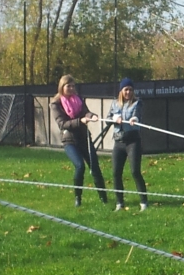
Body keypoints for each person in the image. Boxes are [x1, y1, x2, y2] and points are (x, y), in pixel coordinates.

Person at [51, 73, 107, 208]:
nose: (71, 89)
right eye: (68, 86)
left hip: (84, 138)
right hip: (69, 141)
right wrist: (79, 121)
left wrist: (91, 116)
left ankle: (104, 198)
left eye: (73, 86)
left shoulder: (78, 99)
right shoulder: (55, 104)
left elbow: (85, 112)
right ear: (62, 87)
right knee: (80, 166)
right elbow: (62, 124)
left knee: (95, 167)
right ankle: (78, 198)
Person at [107, 78, 148, 212]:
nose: (128, 92)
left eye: (130, 89)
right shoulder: (114, 104)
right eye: (126, 90)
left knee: (135, 171)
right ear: (121, 91)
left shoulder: (137, 103)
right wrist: (114, 118)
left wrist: (134, 119)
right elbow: (108, 119)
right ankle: (119, 203)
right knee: (116, 173)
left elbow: (137, 115)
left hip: (133, 142)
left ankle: (144, 202)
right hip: (118, 142)